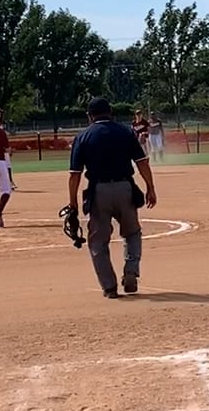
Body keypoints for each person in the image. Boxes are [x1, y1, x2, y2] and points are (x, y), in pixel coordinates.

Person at [67, 97, 158, 298]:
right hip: (125, 188)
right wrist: (150, 188)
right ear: (110, 113)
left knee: (98, 241)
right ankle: (131, 270)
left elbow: (75, 175)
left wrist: (73, 203)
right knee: (132, 232)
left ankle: (109, 287)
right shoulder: (126, 132)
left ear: (90, 116)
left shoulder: (83, 136)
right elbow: (142, 162)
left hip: (99, 191)